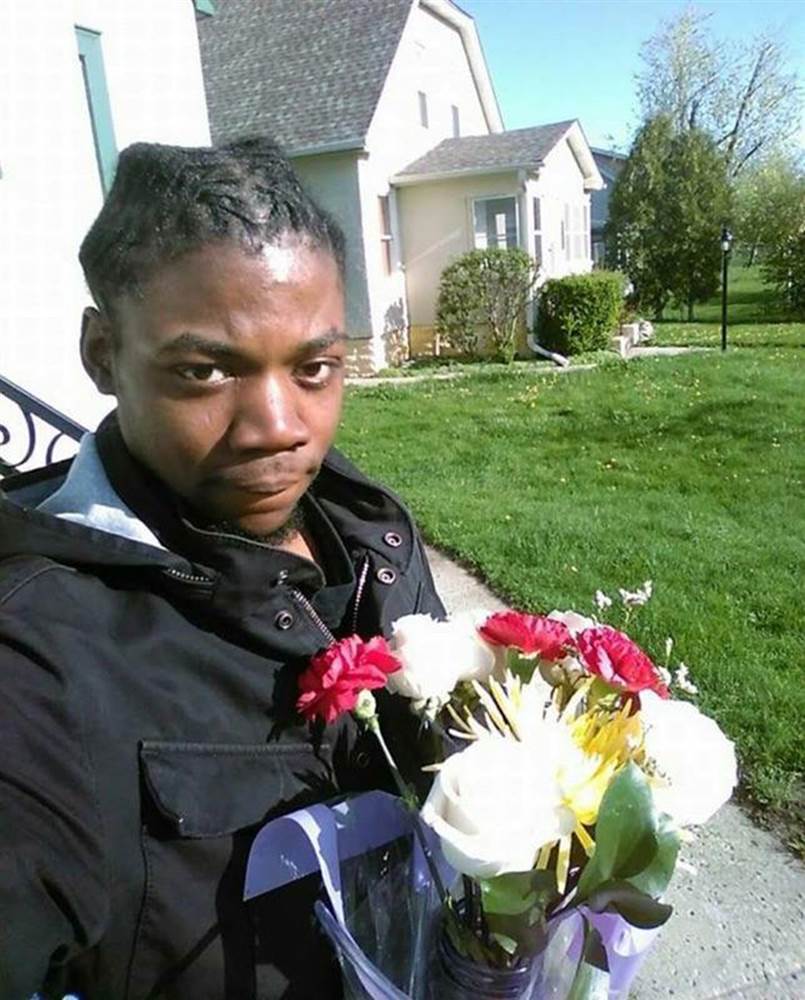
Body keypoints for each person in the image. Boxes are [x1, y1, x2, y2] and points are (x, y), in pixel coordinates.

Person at [0, 138, 444, 999]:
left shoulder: (372, 537)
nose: (278, 425)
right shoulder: (35, 663)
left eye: (314, 367)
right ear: (102, 353)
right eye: (204, 370)